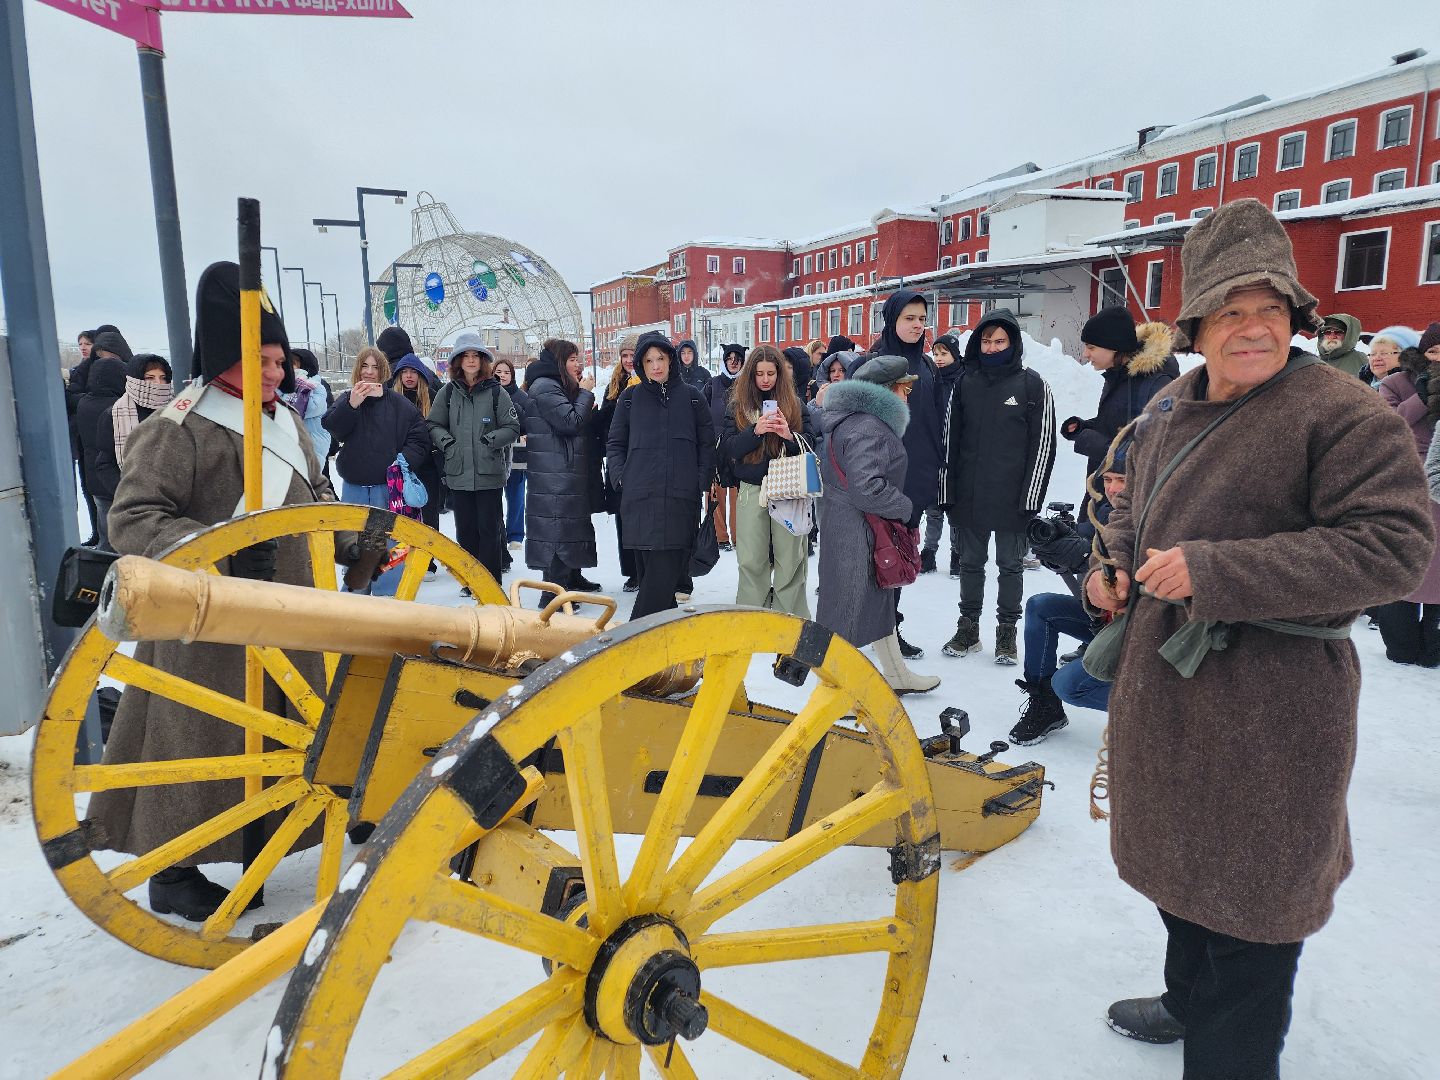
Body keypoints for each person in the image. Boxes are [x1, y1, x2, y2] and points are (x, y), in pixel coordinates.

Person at [1083, 199, 1433, 1078]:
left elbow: (1395, 549)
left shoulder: (1343, 413)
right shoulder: (1169, 404)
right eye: (1231, 311)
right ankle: (1184, 998)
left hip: (1273, 711)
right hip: (1166, 693)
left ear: (1297, 318)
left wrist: (1218, 570)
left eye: (1270, 309)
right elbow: (1131, 503)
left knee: (1252, 902)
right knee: (1178, 871)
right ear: (1197, 326)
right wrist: (1112, 565)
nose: (1252, 328)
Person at [91, 262, 350, 921]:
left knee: (284, 743)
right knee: (197, 749)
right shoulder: (180, 430)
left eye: (278, 359)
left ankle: (260, 844)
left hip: (293, 618)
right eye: (259, 359)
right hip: (207, 631)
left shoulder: (286, 424)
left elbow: (319, 500)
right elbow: (134, 518)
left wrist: (358, 540)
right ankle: (175, 872)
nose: (274, 371)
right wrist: (221, 547)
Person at [938, 307, 1056, 665]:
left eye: (999, 341)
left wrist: (1031, 497)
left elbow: (1044, 444)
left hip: (1012, 498)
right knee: (971, 563)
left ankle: (1007, 632)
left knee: (1010, 566)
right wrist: (947, 490)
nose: (992, 347)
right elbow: (949, 440)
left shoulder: (1032, 384)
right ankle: (968, 627)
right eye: (986, 341)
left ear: (1013, 342)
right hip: (970, 495)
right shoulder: (964, 382)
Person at [816, 355, 939, 693]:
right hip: (858, 532)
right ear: (886, 391)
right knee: (848, 612)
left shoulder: (853, 421)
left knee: (875, 604)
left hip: (852, 527)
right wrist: (904, 506)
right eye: (904, 388)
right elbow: (867, 488)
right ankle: (831, 691)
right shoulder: (868, 427)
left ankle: (896, 675)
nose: (908, 395)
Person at [1011, 439, 1129, 746]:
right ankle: (1045, 705)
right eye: (1108, 480)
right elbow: (1081, 540)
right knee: (1040, 607)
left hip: (1142, 635)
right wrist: (1058, 551)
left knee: (1070, 684)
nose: (1113, 489)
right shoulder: (1105, 512)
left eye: (1122, 481)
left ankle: (1160, 713)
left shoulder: (1158, 519)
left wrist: (1085, 558)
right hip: (1106, 622)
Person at [865, 289, 948, 661]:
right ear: (892, 321)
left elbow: (932, 420)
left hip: (917, 477)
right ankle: (876, 634)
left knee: (898, 558)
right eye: (908, 318)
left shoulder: (927, 365)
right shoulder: (875, 364)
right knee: (877, 556)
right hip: (883, 479)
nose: (917, 325)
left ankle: (890, 630)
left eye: (921, 318)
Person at [606, 332, 713, 619]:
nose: (656, 365)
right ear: (641, 364)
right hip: (638, 501)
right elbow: (614, 444)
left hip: (679, 502)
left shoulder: (693, 398)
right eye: (649, 360)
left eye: (661, 358)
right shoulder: (629, 399)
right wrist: (620, 478)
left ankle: (627, 649)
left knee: (657, 584)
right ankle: (668, 656)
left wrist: (699, 482)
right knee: (658, 591)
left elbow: (706, 444)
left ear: (671, 359)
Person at [323, 346, 432, 595]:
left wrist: (402, 462)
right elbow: (333, 428)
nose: (370, 372)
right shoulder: (348, 398)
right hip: (355, 487)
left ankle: (388, 597)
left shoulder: (398, 404)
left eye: (375, 367)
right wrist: (351, 405)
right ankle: (355, 595)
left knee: (387, 541)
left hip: (386, 488)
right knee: (355, 543)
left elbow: (419, 436)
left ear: (383, 371)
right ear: (357, 370)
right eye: (364, 366)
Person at [721, 344, 817, 617]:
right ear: (750, 375)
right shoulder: (738, 406)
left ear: (780, 374)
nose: (765, 379)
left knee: (790, 559)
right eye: (759, 373)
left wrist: (788, 435)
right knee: (751, 559)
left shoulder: (795, 404)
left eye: (771, 373)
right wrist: (756, 431)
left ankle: (791, 618)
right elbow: (729, 449)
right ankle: (751, 617)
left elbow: (811, 445)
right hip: (752, 489)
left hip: (789, 488)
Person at [427, 335, 520, 588]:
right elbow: (434, 424)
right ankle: (470, 582)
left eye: (475, 356)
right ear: (458, 361)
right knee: (466, 531)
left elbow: (512, 427)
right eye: (466, 356)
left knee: (490, 531)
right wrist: (448, 443)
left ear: (482, 360)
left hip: (489, 472)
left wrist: (491, 440)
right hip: (459, 473)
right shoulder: (447, 393)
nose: (470, 361)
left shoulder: (496, 393)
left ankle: (491, 584)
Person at [1374, 331, 1440, 665]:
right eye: (1433, 348)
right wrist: (1425, 394)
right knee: (1403, 563)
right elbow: (1390, 422)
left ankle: (1433, 647)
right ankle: (1400, 645)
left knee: (1437, 571)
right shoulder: (1398, 381)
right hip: (1406, 478)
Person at [1062, 307, 1177, 488]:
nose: (1085, 354)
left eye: (1091, 347)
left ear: (1114, 347)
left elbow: (1157, 450)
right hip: (1104, 490)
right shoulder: (1118, 375)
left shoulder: (1157, 384)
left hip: (1129, 499)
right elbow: (1122, 425)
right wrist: (1085, 427)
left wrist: (1095, 443)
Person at [522, 339, 603, 593]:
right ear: (558, 362)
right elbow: (570, 421)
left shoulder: (557, 385)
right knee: (556, 529)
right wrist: (586, 393)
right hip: (553, 474)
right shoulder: (545, 386)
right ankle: (553, 592)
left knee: (571, 526)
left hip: (564, 469)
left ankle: (571, 577)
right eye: (571, 359)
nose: (577, 364)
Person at [93, 353, 173, 520]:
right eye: (150, 378)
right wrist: (126, 494)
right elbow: (105, 463)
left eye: (163, 377)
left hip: (174, 500)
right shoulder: (114, 415)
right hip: (134, 503)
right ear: (135, 380)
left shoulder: (178, 410)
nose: (158, 384)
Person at [388, 348, 444, 575]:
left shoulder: (431, 396)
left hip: (428, 466)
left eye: (413, 372)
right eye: (405, 372)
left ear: (420, 375)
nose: (409, 376)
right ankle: (400, 559)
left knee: (428, 515)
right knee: (400, 515)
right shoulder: (391, 398)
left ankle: (426, 561)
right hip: (400, 464)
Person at [76, 334, 131, 551]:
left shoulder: (84, 403)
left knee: (106, 531)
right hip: (116, 478)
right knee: (123, 534)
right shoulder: (118, 407)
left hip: (95, 479)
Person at [920, 332, 965, 577]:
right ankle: (929, 552)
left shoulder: (965, 380)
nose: (938, 358)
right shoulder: (931, 380)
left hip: (957, 456)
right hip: (934, 454)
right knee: (933, 507)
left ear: (954, 354)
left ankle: (957, 553)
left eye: (944, 353)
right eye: (935, 353)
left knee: (955, 508)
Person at [599, 334, 641, 591]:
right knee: (622, 520)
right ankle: (631, 572)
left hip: (640, 457)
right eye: (624, 355)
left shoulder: (648, 382)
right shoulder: (614, 384)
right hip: (619, 458)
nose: (627, 360)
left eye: (631, 355)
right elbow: (606, 421)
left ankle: (643, 569)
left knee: (641, 518)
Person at [706, 343, 745, 550]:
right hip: (715, 446)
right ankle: (719, 536)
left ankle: (740, 536)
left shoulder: (748, 385)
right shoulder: (712, 384)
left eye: (737, 359)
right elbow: (702, 415)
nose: (733, 362)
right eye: (729, 359)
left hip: (740, 445)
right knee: (716, 492)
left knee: (739, 494)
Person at [492, 359, 530, 559]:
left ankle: (515, 535)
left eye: (507, 372)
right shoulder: (487, 394)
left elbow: (529, 423)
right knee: (493, 498)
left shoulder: (522, 397)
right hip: (493, 455)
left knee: (515, 494)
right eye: (498, 371)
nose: (503, 375)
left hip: (516, 455)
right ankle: (498, 533)